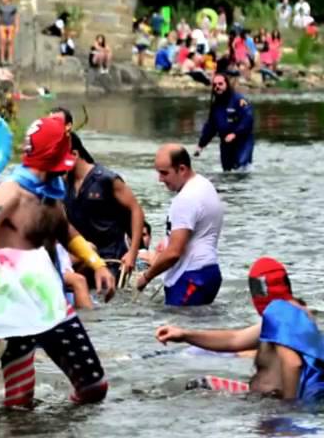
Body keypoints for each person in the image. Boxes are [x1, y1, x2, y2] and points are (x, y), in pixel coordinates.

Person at [0, 115, 115, 408]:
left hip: (50, 298)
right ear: (53, 155)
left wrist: (96, 262)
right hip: (15, 305)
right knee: (19, 402)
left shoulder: (52, 189)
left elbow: (65, 231)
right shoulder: (11, 192)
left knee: (94, 387)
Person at [155, 258, 324, 400]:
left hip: (274, 405)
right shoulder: (296, 315)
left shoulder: (279, 312)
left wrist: (289, 410)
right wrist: (185, 334)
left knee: (189, 388)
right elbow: (234, 339)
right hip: (264, 398)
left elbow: (292, 363)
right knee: (199, 385)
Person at [135, 145, 224, 306]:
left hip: (190, 277)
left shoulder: (186, 198)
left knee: (176, 328)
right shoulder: (204, 185)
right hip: (209, 272)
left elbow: (174, 253)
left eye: (164, 173)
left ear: (182, 169)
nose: (160, 179)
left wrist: (146, 277)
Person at [64, 133, 144, 286]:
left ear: (74, 154)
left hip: (111, 259)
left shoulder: (106, 179)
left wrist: (133, 253)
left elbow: (136, 210)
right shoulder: (62, 184)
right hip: (83, 257)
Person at [197, 70, 254, 171]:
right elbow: (211, 127)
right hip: (225, 141)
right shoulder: (216, 105)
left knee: (240, 168)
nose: (217, 87)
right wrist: (201, 145)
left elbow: (248, 119)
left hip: (242, 140)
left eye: (220, 84)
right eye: (214, 85)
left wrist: (235, 133)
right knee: (227, 170)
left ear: (226, 84)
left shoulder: (239, 100)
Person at [0, 0, 18, 65]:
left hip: (10, 25)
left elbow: (16, 17)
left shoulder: (13, 7)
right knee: (3, 41)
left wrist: (17, 27)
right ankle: (2, 58)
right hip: (2, 25)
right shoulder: (0, 7)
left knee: (10, 41)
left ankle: (10, 58)